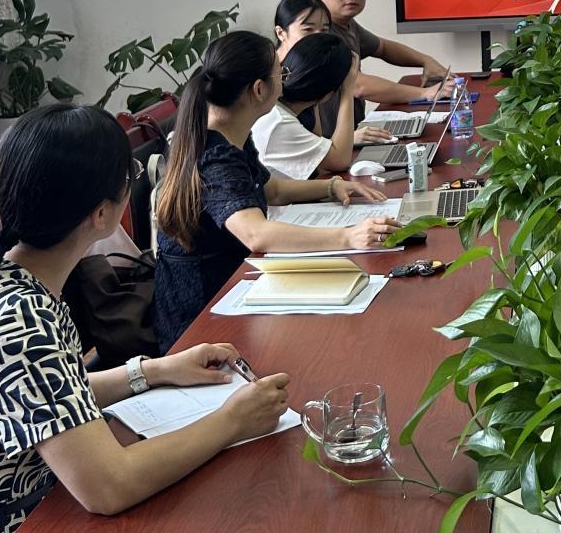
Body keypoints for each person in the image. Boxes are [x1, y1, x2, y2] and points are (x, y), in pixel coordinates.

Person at [0, 104, 291, 533]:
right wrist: (232, 421)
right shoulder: (19, 317)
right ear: (102, 213)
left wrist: (154, 371)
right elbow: (108, 487)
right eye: (130, 177)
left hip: (45, 505)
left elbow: (46, 393)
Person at [154, 31, 396, 351]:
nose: (285, 80)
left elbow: (273, 190)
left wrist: (330, 185)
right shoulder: (216, 154)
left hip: (235, 287)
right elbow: (256, 234)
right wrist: (348, 237)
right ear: (259, 89)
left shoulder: (232, 132)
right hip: (204, 319)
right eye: (280, 73)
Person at [312, 0, 448, 134]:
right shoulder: (318, 33)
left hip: (354, 134)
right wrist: (425, 93)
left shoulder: (347, 24)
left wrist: (425, 60)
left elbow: (383, 47)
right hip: (328, 144)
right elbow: (358, 85)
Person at [253, 32, 387, 178]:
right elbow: (340, 161)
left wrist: (317, 98)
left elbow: (319, 144)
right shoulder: (278, 122)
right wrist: (347, 89)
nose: (283, 76)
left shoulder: (281, 109)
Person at [272, 0, 392, 148]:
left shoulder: (313, 67)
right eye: (308, 29)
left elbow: (316, 140)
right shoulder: (271, 79)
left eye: (324, 30)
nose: (319, 38)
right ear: (281, 33)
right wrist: (349, 139)